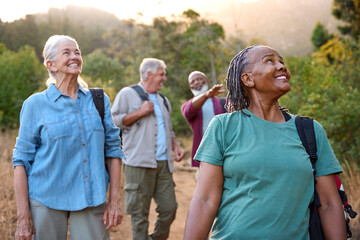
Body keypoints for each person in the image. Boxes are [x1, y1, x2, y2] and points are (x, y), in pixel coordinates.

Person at [184, 45, 346, 239]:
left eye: (282, 62)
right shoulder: (223, 126)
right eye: (270, 61)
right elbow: (204, 200)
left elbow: (329, 203)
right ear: (248, 79)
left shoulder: (310, 131)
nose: (281, 66)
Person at [12, 35, 124, 240]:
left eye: (77, 52)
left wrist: (114, 200)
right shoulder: (35, 104)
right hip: (46, 199)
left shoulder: (99, 100)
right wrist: (23, 217)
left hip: (92, 197)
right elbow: (21, 161)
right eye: (67, 52)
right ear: (50, 64)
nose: (74, 56)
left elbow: (113, 150)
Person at [111, 58, 185, 240]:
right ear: (149, 74)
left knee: (170, 208)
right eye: (162, 74)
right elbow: (113, 122)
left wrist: (176, 146)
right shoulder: (127, 94)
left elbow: (168, 128)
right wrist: (139, 112)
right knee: (139, 215)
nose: (164, 78)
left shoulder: (164, 100)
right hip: (137, 163)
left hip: (163, 164)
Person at [181, 71, 226, 168]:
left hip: (225, 153)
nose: (196, 82)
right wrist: (207, 94)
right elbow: (189, 111)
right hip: (204, 157)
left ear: (207, 81)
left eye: (199, 79)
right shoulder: (187, 106)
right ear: (190, 87)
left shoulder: (223, 102)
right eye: (192, 82)